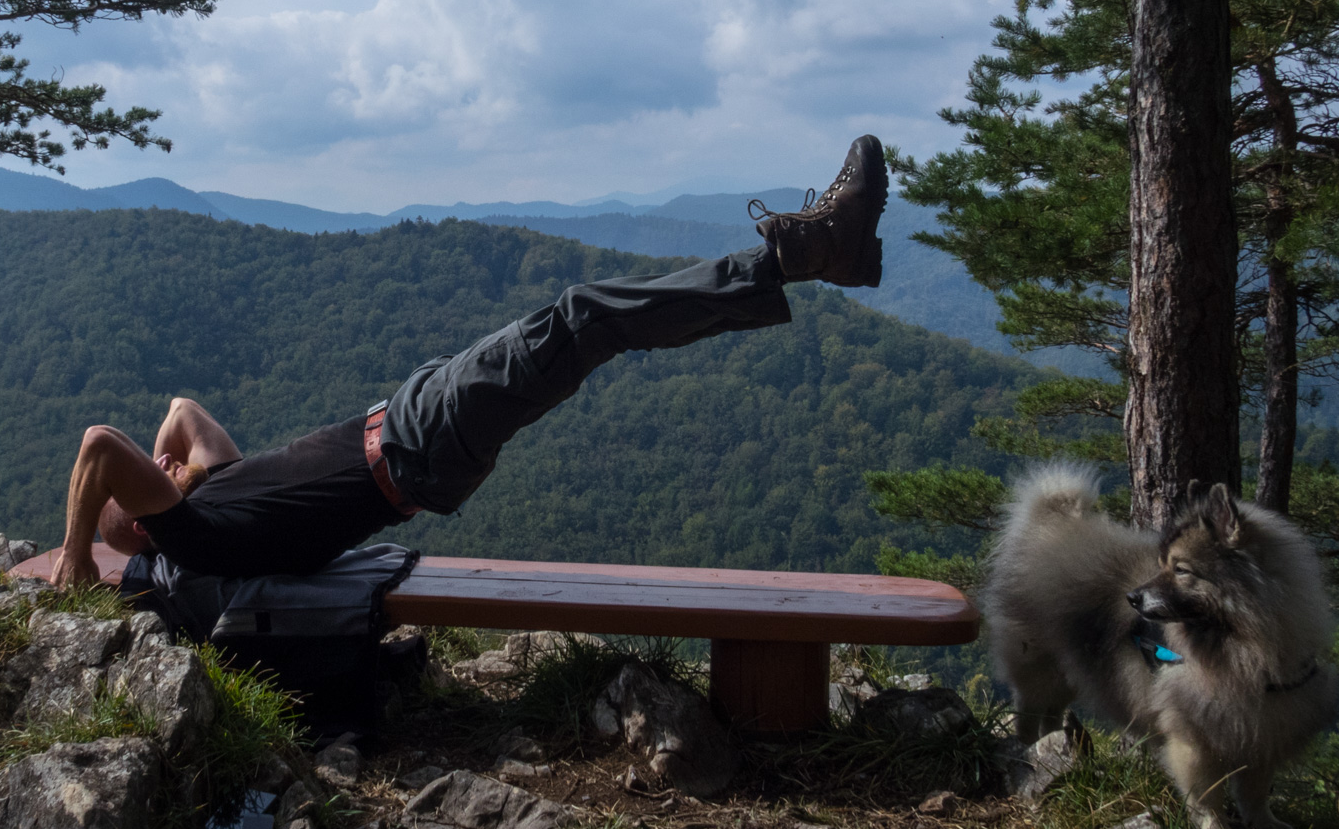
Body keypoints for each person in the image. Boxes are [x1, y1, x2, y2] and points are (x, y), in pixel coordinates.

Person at [50, 136, 889, 587]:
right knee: (586, 319)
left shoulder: (207, 497)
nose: (156, 468)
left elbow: (182, 410)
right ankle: (803, 254)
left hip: (418, 430)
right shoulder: (191, 536)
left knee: (587, 325)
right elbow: (100, 445)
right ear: (139, 522)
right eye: (137, 494)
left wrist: (181, 471)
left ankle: (813, 256)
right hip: (420, 442)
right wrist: (82, 551)